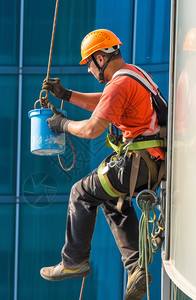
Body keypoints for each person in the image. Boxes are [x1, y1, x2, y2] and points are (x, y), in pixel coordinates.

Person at [39, 29, 167, 300]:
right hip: (153, 163)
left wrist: (63, 124)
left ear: (99, 58)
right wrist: (67, 94)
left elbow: (92, 129)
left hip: (137, 163)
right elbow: (105, 103)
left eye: (88, 63)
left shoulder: (119, 84)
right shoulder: (134, 74)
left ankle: (74, 261)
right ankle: (136, 268)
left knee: (80, 192)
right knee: (112, 200)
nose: (88, 70)